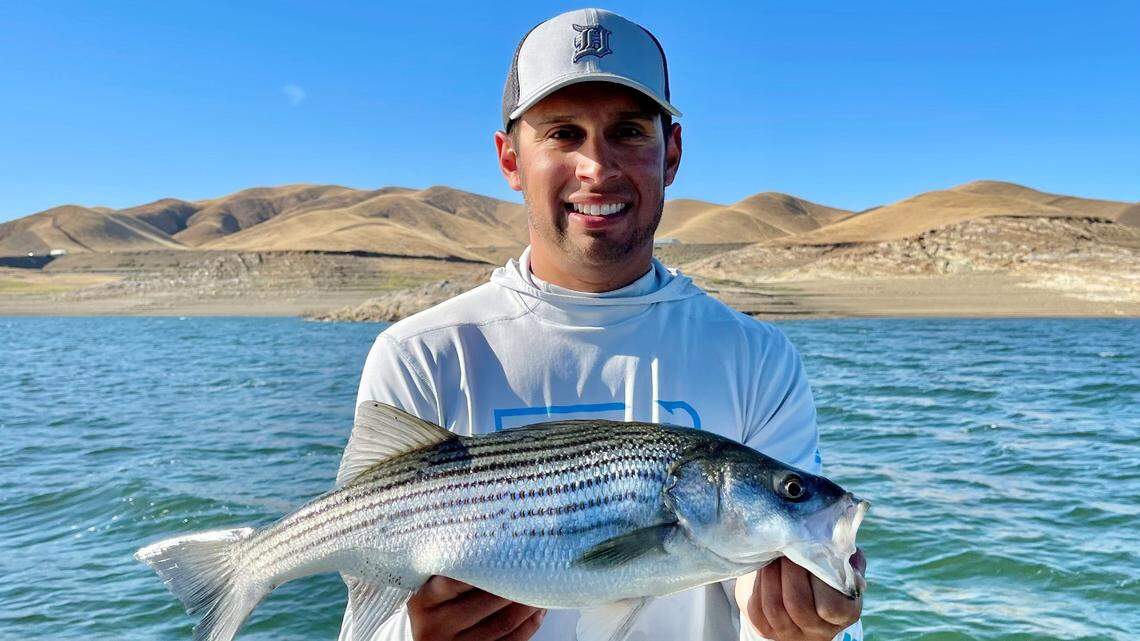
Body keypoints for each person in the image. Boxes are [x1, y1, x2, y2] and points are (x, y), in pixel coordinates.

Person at [338, 8, 865, 641]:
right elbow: (369, 622)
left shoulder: (756, 357)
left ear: (671, 152)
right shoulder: (421, 354)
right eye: (563, 133)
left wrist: (809, 630)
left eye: (630, 131)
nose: (597, 167)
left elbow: (773, 598)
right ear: (510, 158)